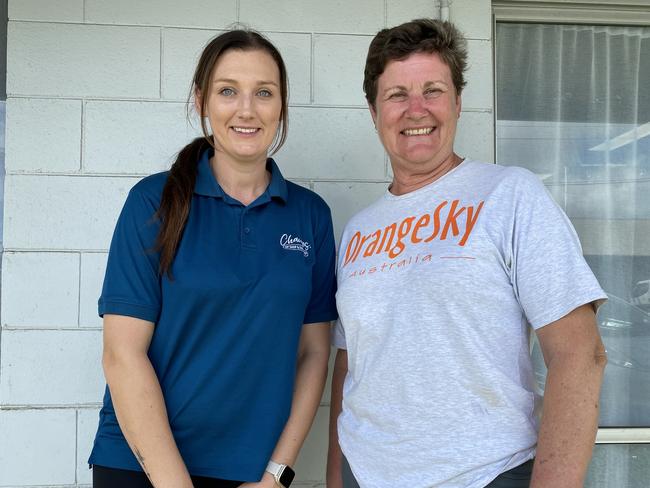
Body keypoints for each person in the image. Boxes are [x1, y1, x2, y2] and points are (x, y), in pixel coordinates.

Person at [327, 18, 607, 488]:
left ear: (458, 102)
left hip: (485, 474)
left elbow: (580, 354)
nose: (416, 110)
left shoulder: (509, 195)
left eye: (432, 90)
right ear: (374, 111)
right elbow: (349, 366)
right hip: (366, 473)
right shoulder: (358, 230)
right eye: (397, 95)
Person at [88, 29, 337, 488]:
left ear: (282, 106)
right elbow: (122, 354)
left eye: (264, 92)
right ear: (202, 100)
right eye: (228, 91)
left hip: (250, 475)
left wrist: (276, 474)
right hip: (143, 468)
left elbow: (315, 353)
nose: (246, 109)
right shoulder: (153, 202)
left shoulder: (311, 216)